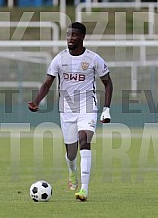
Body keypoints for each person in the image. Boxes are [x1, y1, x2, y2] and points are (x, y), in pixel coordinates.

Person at [28, 22, 113, 201]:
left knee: (85, 140)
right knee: (71, 152)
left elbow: (108, 83)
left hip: (88, 107)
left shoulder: (93, 59)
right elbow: (47, 83)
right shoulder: (59, 59)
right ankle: (72, 171)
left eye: (74, 35)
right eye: (68, 35)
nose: (70, 39)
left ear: (82, 37)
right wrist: (36, 101)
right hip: (66, 110)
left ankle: (84, 189)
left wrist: (106, 109)